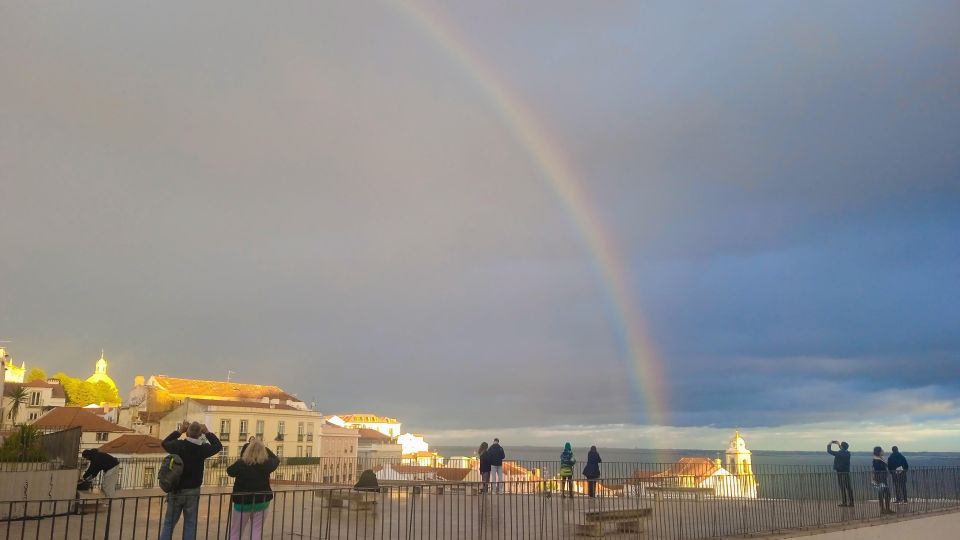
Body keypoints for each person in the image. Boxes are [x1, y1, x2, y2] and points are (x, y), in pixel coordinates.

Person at [160, 421, 223, 540]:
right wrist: (207, 433)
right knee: (190, 523)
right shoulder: (202, 449)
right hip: (193, 491)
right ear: (200, 435)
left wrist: (179, 431)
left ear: (187, 433)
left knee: (169, 523)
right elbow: (218, 446)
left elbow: (164, 443)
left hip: (176, 490)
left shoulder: (178, 446)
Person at [226, 438, 279, 540]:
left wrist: (250, 448)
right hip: (262, 501)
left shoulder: (241, 463)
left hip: (243, 502)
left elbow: (230, 471)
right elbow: (276, 459)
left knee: (236, 531)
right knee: (256, 530)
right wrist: (263, 448)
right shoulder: (266, 464)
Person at [827, 440, 853, 507]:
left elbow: (829, 451)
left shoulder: (839, 453)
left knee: (842, 487)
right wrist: (839, 444)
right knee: (848, 487)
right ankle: (851, 502)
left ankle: (844, 502)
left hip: (840, 471)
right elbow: (843, 449)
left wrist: (830, 443)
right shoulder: (848, 453)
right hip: (846, 471)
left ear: (841, 447)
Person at [872, 446, 895, 515]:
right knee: (885, 493)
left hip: (881, 478)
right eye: (882, 450)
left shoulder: (879, 459)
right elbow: (879, 469)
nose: (883, 451)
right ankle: (885, 509)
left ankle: (884, 509)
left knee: (883, 493)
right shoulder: (877, 460)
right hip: (880, 478)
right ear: (879, 452)